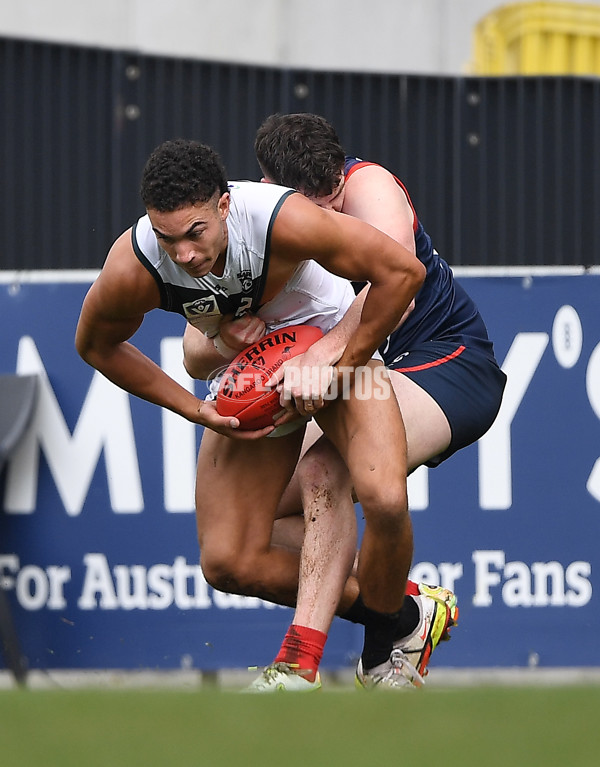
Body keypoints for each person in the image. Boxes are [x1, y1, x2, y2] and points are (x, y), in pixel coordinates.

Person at [75, 138, 426, 692]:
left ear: (225, 205)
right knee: (227, 562)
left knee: (383, 496)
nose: (184, 255)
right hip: (258, 373)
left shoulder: (282, 219)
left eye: (195, 234)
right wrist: (194, 409)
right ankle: (406, 612)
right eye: (169, 240)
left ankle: (316, 663)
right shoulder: (136, 263)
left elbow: (402, 273)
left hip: (333, 340)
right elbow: (95, 344)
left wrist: (338, 362)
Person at [183, 113, 507, 690]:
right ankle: (406, 615)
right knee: (238, 548)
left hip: (441, 360)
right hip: (357, 372)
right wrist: (226, 336)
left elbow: (397, 296)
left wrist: (322, 354)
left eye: (333, 198)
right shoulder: (256, 218)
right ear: (272, 187)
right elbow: (194, 353)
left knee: (324, 468)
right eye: (317, 206)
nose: (332, 217)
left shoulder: (369, 186)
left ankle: (303, 665)